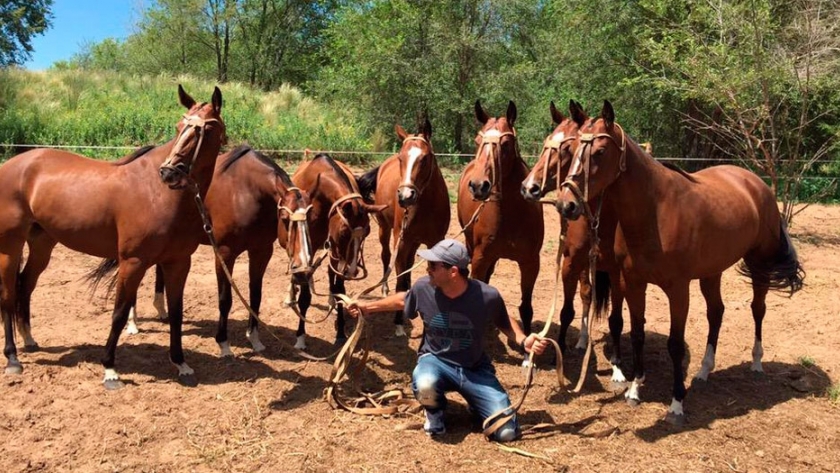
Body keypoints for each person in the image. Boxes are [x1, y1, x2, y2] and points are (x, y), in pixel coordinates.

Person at [345, 238, 550, 442]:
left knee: (506, 433)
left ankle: (476, 402)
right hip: (435, 360)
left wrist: (524, 340)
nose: (428, 270)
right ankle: (434, 413)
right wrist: (367, 307)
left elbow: (504, 320)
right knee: (424, 383)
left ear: (453, 272)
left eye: (433, 266)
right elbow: (403, 299)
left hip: (474, 368)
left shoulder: (487, 295)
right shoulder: (424, 287)